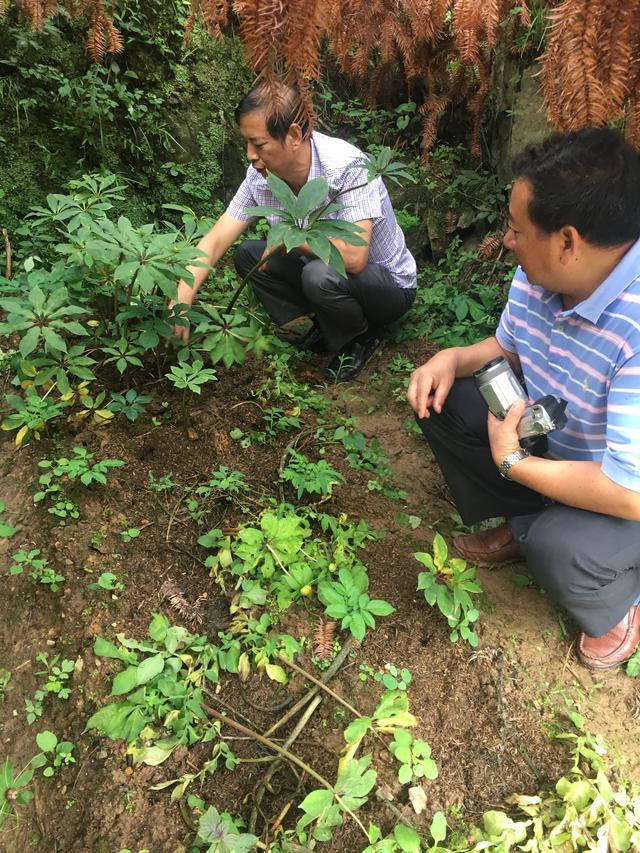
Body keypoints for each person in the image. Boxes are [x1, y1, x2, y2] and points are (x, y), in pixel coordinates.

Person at [407, 127, 640, 670]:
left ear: (567, 240)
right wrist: (451, 357)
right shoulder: (540, 277)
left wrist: (513, 462)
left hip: (625, 487)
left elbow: (630, 492)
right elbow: (506, 349)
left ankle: (618, 603)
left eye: (516, 230)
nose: (508, 241)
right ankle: (529, 519)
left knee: (560, 551)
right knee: (446, 400)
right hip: (562, 447)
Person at [173, 79, 417, 381]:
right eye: (247, 143)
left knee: (318, 274)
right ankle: (324, 322)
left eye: (259, 144)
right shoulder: (260, 175)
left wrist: (293, 242)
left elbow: (354, 258)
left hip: (387, 286)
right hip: (326, 273)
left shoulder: (347, 167)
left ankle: (360, 336)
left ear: (294, 135)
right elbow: (217, 238)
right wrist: (181, 298)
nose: (250, 154)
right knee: (251, 256)